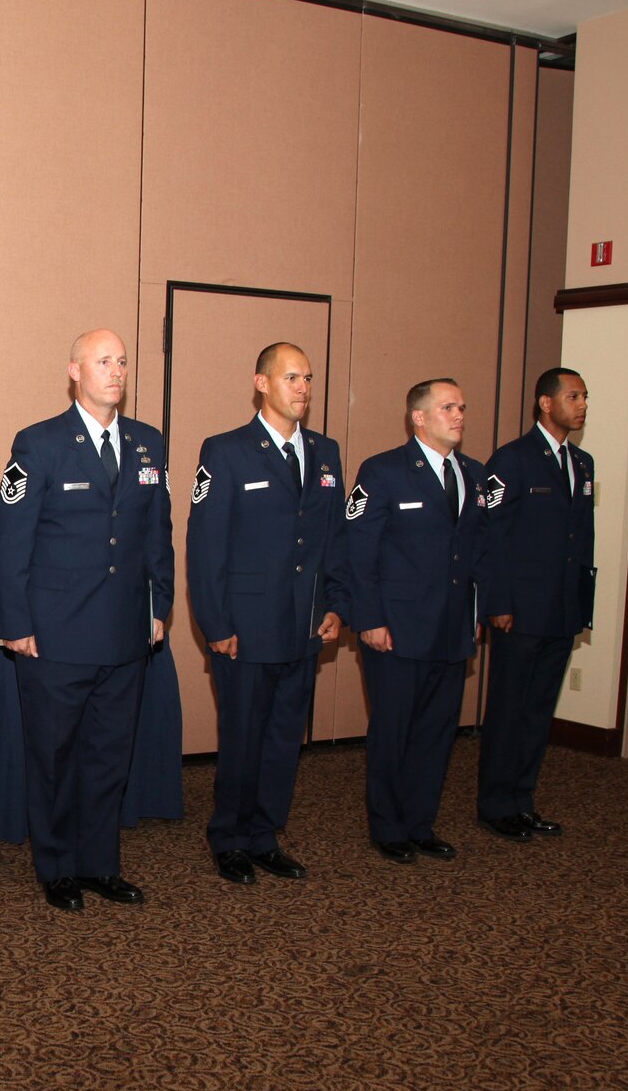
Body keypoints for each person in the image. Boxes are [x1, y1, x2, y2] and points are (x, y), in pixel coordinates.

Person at [0, 329, 174, 913]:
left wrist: (160, 606)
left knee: (108, 755)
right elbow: (11, 540)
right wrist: (15, 622)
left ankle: (100, 863)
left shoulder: (149, 443)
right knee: (53, 757)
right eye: (103, 361)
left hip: (125, 632)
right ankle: (57, 866)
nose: (116, 371)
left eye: (122, 361)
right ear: (75, 370)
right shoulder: (38, 443)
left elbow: (158, 535)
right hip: (55, 636)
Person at [186, 342, 350, 886]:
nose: (302, 388)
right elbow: (206, 546)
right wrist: (216, 624)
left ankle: (265, 834)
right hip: (245, 629)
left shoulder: (325, 452)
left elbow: (334, 541)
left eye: (307, 378)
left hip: (303, 625)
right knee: (243, 739)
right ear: (261, 383)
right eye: (290, 378)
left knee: (284, 740)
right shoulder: (226, 451)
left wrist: (334, 605)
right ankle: (229, 837)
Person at [345, 378, 494, 864]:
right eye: (448, 407)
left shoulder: (474, 475)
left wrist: (474, 615)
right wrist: (368, 618)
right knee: (394, 731)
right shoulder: (383, 472)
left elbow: (477, 554)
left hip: (451, 630)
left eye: (462, 407)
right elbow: (359, 553)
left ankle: (420, 824)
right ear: (419, 417)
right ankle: (388, 827)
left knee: (436, 732)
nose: (458, 415)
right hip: (396, 630)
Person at [477, 368, 596, 840]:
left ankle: (522, 799)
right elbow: (492, 537)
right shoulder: (512, 459)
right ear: (546, 403)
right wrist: (498, 602)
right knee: (509, 709)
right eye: (573, 395)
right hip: (520, 611)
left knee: (538, 710)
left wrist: (582, 605)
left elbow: (580, 540)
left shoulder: (582, 463)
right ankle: (495, 805)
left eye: (585, 397)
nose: (582, 404)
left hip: (561, 608)